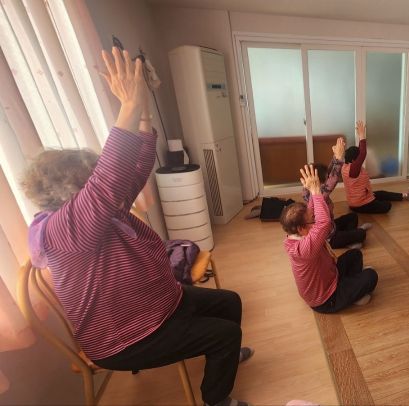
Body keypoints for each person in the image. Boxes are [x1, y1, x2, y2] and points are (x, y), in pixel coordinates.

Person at [22, 47, 251, 406]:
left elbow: (135, 169)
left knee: (229, 302)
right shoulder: (62, 231)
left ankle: (225, 358)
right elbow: (108, 181)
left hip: (158, 305)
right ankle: (216, 399)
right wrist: (128, 104)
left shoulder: (100, 212)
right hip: (124, 337)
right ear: (70, 191)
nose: (100, 183)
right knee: (223, 334)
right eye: (90, 180)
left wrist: (142, 111)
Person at [281, 165, 379, 312]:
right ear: (301, 228)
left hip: (331, 275)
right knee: (371, 276)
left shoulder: (297, 235)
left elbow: (312, 210)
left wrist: (312, 189)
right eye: (312, 220)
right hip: (326, 299)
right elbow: (324, 223)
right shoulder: (303, 249)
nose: (315, 219)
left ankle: (351, 286)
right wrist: (315, 192)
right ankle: (354, 294)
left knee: (355, 254)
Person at [302, 137, 372, 249]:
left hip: (332, 226)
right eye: (326, 178)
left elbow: (330, 172)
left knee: (353, 217)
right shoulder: (317, 195)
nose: (328, 177)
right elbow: (333, 180)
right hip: (329, 238)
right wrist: (339, 159)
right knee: (362, 234)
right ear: (320, 183)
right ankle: (353, 238)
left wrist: (336, 156)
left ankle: (350, 238)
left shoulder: (312, 186)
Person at [342, 121, 409, 214]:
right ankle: (376, 203)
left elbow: (360, 153)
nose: (360, 160)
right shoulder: (353, 170)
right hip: (360, 204)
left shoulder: (346, 165)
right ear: (353, 160)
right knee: (387, 206)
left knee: (381, 193)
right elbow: (362, 153)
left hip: (362, 197)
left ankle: (405, 195)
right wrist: (362, 135)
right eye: (358, 158)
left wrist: (360, 136)